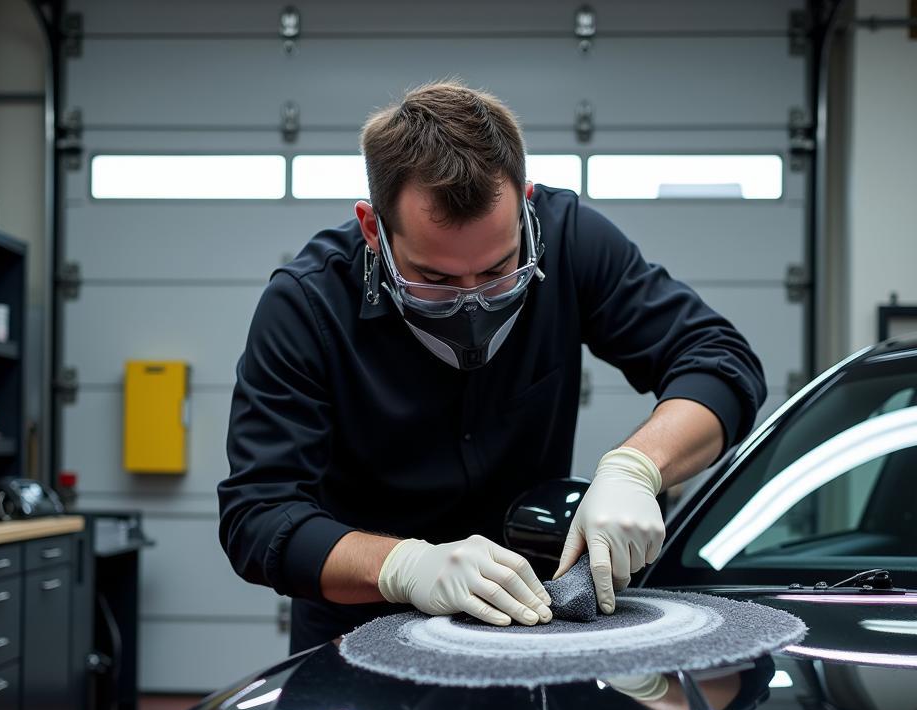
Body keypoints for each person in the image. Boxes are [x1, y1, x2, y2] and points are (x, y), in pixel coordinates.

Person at [218, 81, 766, 654]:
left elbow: (720, 362)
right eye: (435, 280)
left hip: (535, 628)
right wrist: (405, 566)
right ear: (374, 228)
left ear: (525, 204)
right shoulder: (306, 306)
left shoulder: (569, 239)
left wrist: (636, 467)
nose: (473, 303)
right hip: (357, 642)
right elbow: (258, 517)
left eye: (500, 270)